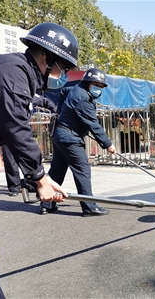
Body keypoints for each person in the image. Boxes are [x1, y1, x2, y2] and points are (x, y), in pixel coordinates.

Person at [0, 22, 79, 298]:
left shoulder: (19, 75)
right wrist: (39, 178)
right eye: (63, 67)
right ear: (45, 56)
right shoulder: (13, 71)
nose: (63, 74)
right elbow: (16, 128)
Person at [41, 68, 117, 216]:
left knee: (57, 170)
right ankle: (89, 206)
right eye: (96, 84)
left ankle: (47, 203)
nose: (99, 88)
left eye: (101, 86)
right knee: (82, 170)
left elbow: (63, 92)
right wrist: (108, 144)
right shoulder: (82, 99)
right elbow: (93, 124)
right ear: (88, 83)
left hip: (61, 135)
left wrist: (60, 111)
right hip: (69, 139)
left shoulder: (77, 89)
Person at [2, 94, 58, 197]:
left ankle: (31, 182)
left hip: (21, 129)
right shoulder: (10, 91)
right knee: (10, 158)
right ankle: (14, 186)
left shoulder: (26, 91)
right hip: (7, 128)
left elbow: (42, 100)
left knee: (29, 156)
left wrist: (55, 109)